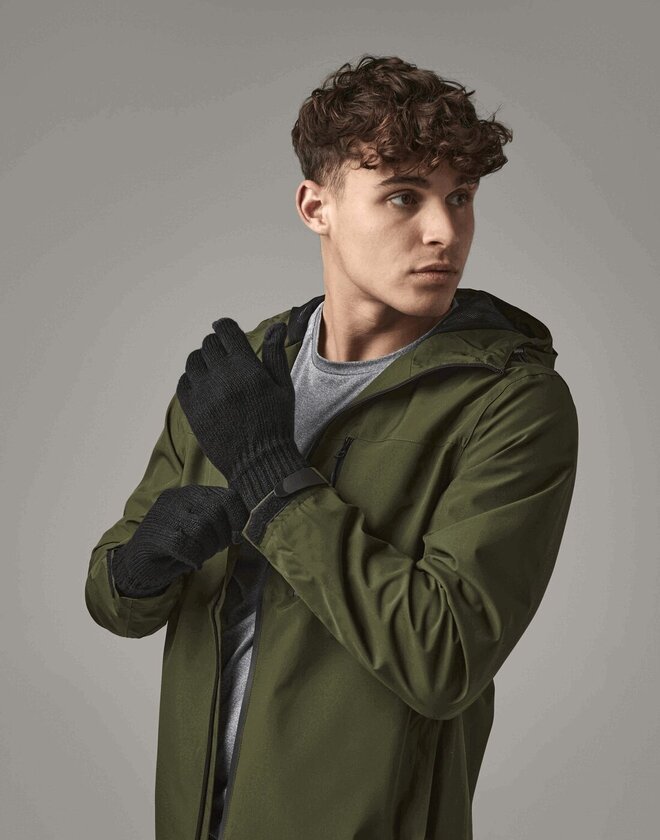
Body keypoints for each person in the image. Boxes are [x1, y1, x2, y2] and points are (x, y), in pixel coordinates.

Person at [85, 54, 579, 840]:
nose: (444, 231)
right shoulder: (241, 374)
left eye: (460, 197)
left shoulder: (511, 402)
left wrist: (274, 479)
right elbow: (113, 600)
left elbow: (444, 656)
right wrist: (143, 563)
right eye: (404, 196)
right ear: (317, 206)